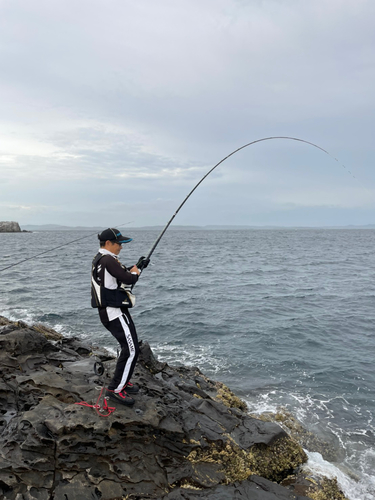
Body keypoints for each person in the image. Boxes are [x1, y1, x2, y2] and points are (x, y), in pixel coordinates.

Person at [91, 228, 148, 406]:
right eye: (119, 243)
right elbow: (128, 279)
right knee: (131, 349)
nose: (121, 247)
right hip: (112, 312)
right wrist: (137, 271)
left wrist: (138, 266)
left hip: (115, 310)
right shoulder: (108, 259)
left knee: (129, 347)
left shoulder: (102, 259)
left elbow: (120, 274)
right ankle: (116, 389)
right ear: (108, 243)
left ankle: (123, 381)